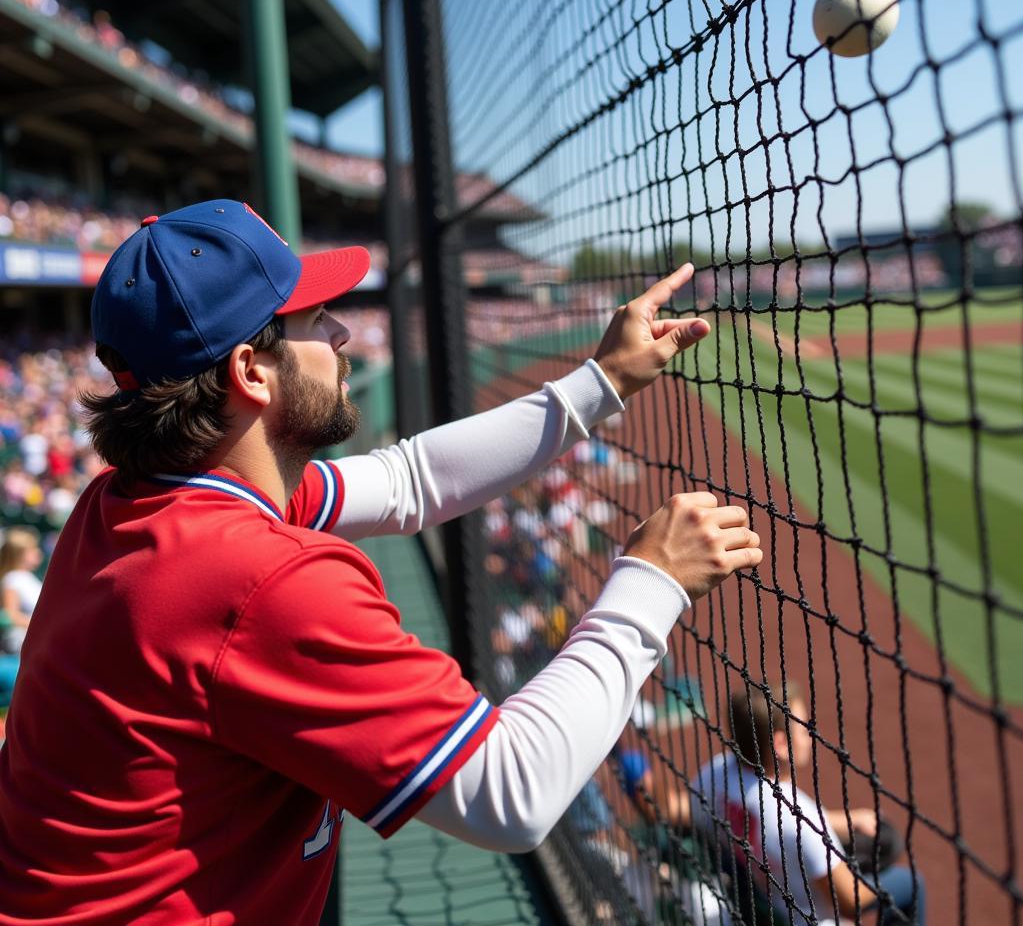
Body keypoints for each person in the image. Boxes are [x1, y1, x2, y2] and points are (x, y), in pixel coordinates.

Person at [0, 200, 762, 925]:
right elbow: (512, 792)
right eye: (312, 319)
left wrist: (602, 384)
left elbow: (410, 481)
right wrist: (650, 580)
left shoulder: (135, 503)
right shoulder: (257, 580)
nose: (341, 335)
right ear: (252, 372)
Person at [690, 682, 925, 924]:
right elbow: (849, 901)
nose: (810, 735)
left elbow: (693, 812)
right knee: (912, 885)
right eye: (805, 728)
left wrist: (851, 820)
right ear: (781, 744)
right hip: (798, 919)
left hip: (750, 900)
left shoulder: (716, 773)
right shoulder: (800, 819)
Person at [0, 527, 43, 655]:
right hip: (22, 643)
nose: (38, 552)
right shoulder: (12, 578)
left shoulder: (28, 576)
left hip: (38, 638)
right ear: (19, 554)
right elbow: (11, 614)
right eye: (32, 550)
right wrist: (41, 625)